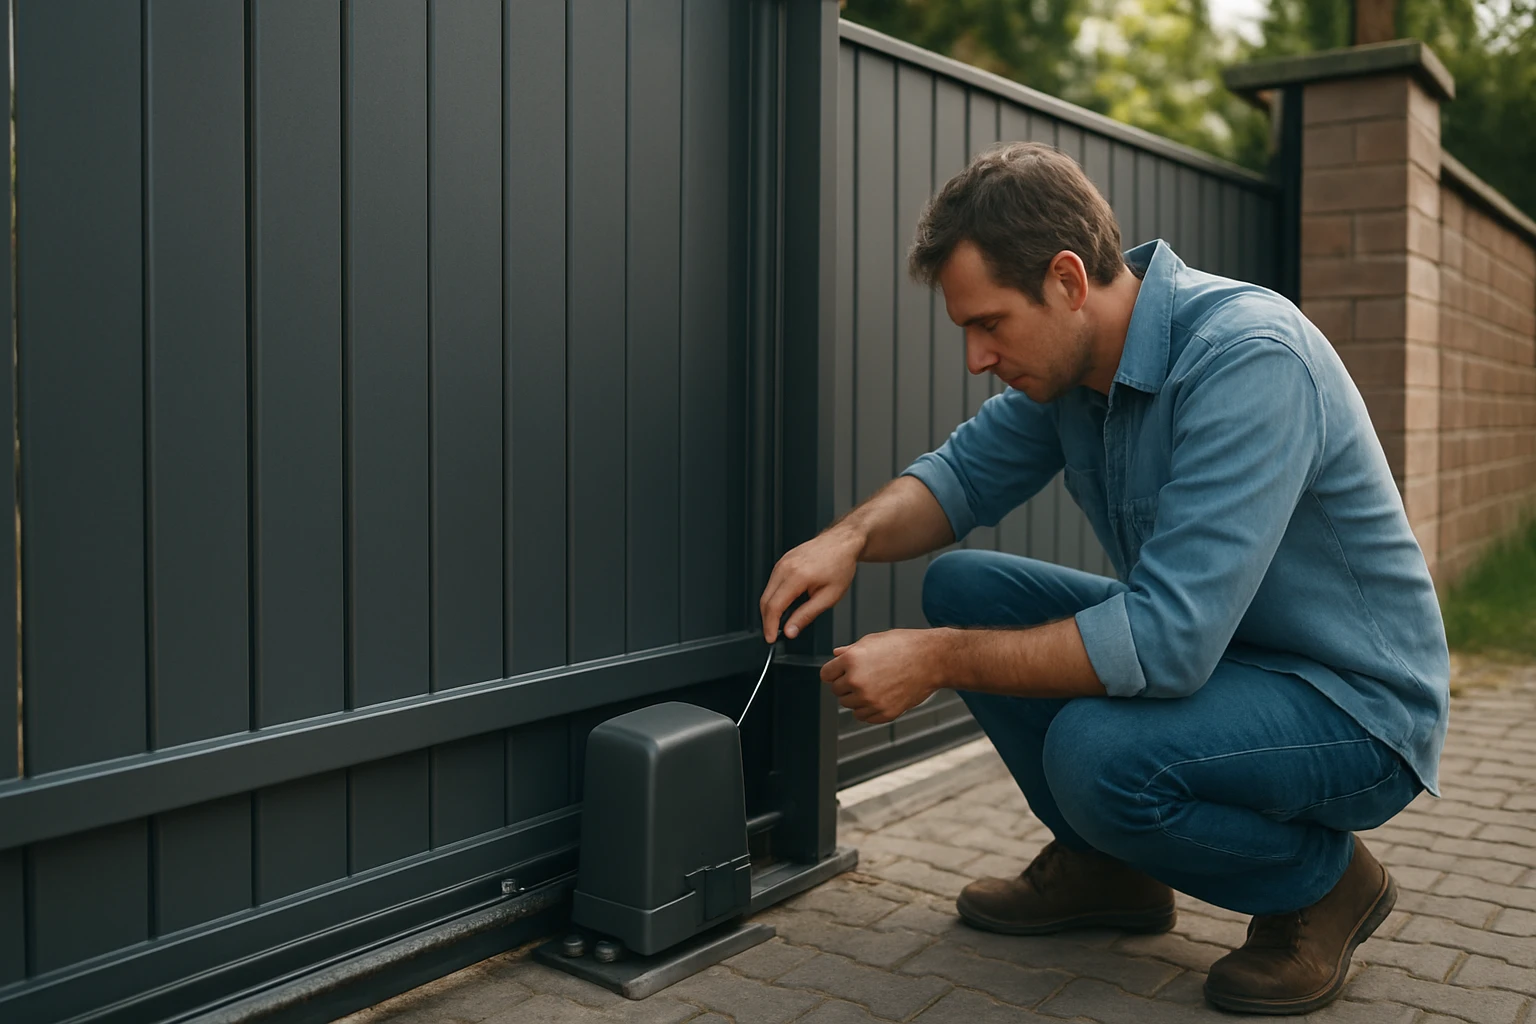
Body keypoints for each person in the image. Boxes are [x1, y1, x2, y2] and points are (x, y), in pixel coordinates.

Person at [757, 141, 1449, 1015]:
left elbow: (1166, 643)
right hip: (1229, 662)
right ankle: (1107, 868)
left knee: (1096, 756)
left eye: (989, 323)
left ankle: (1322, 885)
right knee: (964, 587)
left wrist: (935, 661)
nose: (976, 357)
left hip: (1353, 705)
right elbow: (957, 481)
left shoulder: (1249, 360)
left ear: (1067, 280)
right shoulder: (1076, 374)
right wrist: (847, 539)